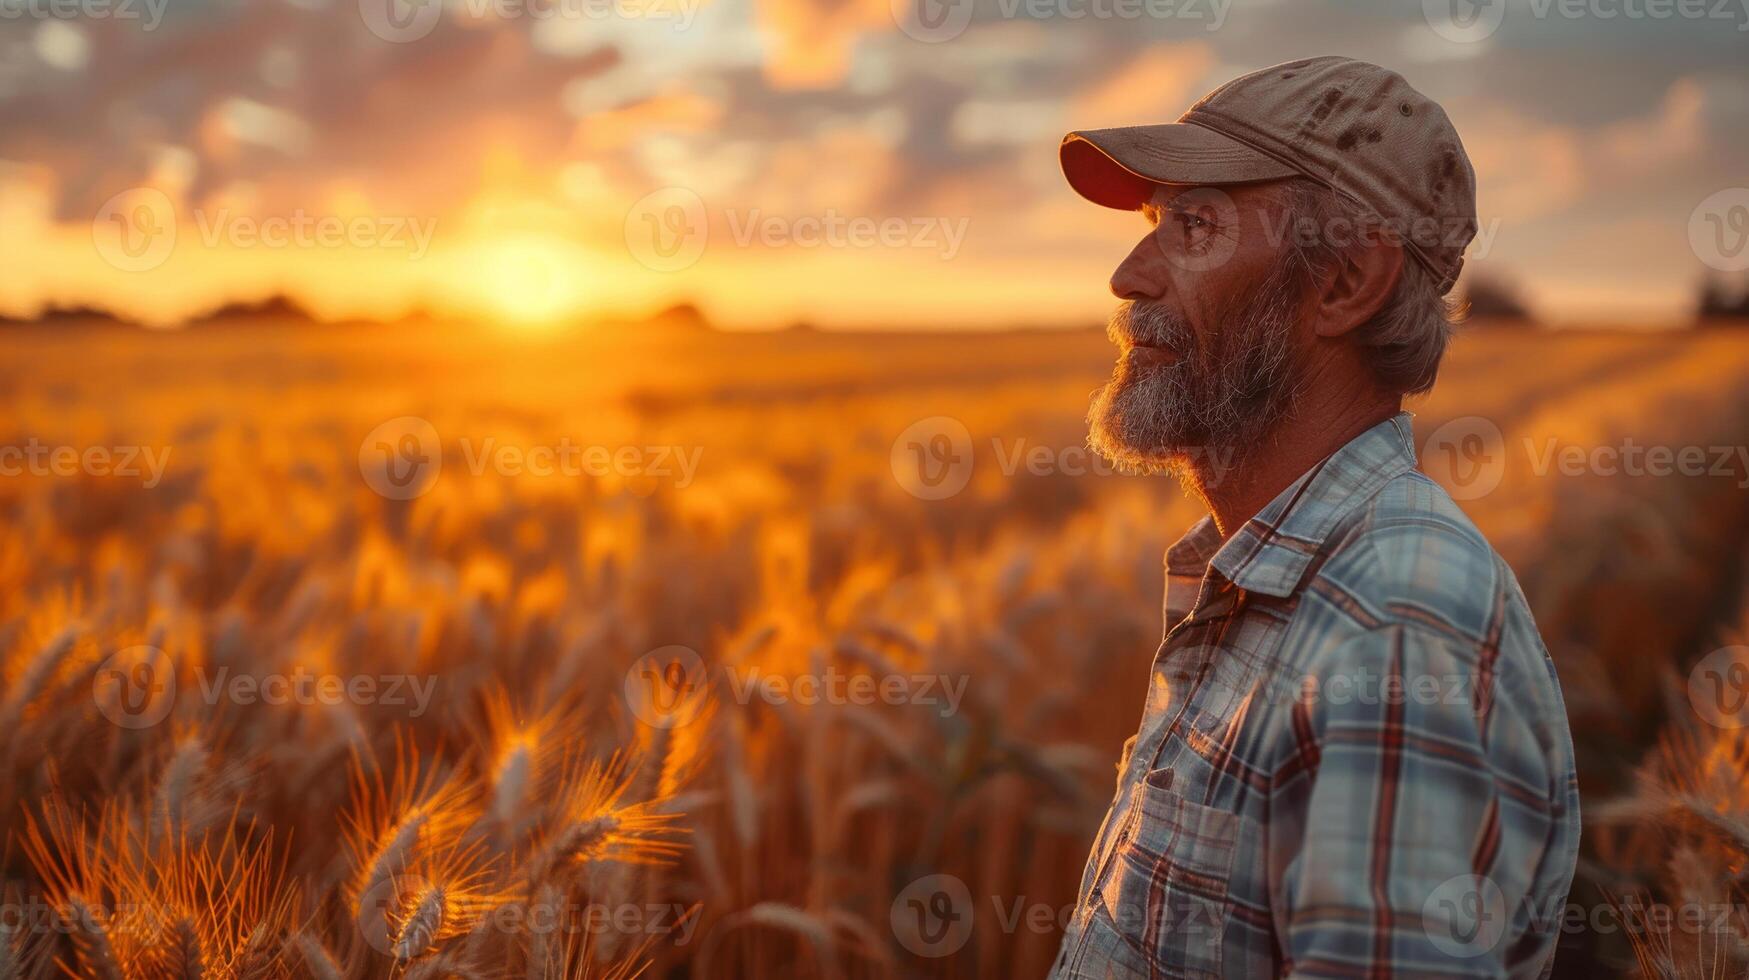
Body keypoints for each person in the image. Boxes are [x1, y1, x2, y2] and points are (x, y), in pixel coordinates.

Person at [1050, 55, 1581, 979]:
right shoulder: (1263, 579)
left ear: (1342, 281)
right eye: (1152, 225)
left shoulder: (1394, 627)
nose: (1128, 277)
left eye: (1193, 225)